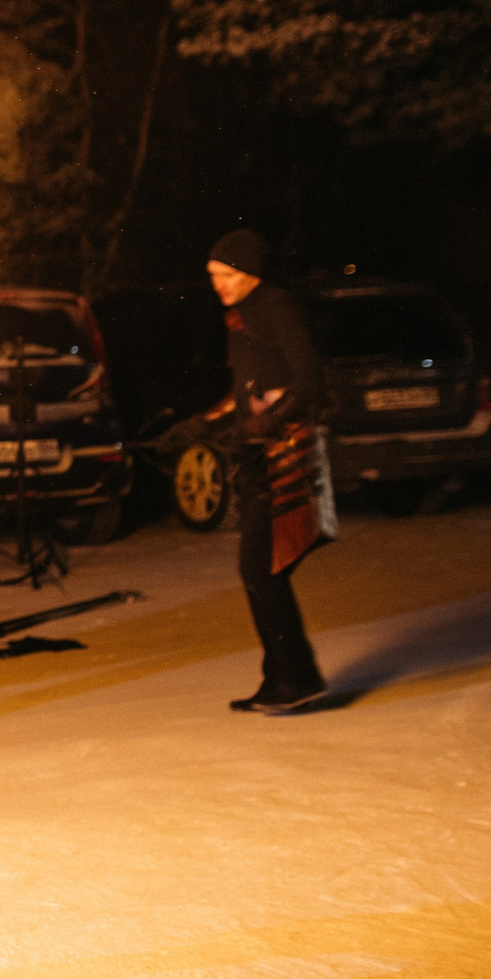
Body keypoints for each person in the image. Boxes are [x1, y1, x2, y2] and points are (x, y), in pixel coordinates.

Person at [187, 228, 334, 713]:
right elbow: (247, 390)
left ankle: (295, 678)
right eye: (213, 276)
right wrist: (202, 424)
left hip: (285, 453)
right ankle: (284, 678)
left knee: (261, 567)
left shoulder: (278, 306)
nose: (218, 284)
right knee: (260, 569)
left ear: (249, 272)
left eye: (225, 275)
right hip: (257, 456)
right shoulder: (242, 315)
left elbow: (308, 380)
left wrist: (268, 422)